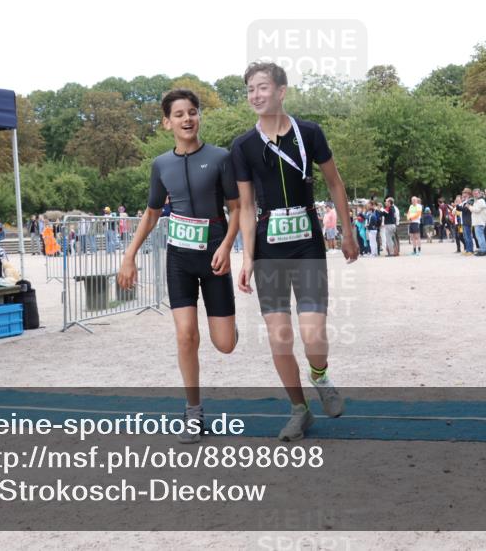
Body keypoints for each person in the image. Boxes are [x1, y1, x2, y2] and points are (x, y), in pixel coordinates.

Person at [233, 61, 357, 441]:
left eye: (263, 87)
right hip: (269, 246)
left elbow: (334, 183)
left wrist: (348, 231)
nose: (256, 95)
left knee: (313, 335)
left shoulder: (310, 133)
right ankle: (298, 409)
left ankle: (319, 374)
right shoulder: (243, 145)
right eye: (251, 89)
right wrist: (248, 256)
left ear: (281, 91)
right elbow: (246, 207)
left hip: (307, 243)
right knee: (279, 337)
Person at [118, 89, 241, 444]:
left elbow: (236, 208)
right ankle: (193, 411)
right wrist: (130, 254)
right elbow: (153, 212)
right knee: (186, 335)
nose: (187, 119)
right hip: (180, 259)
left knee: (224, 345)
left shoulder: (220, 158)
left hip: (214, 256)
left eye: (193, 112)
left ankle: (230, 331)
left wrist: (229, 246)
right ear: (166, 122)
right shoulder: (161, 165)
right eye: (179, 114)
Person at [470, 189, 486, 256]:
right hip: (477, 222)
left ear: (480, 194)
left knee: (480, 237)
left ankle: (483, 250)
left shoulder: (481, 201)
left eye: (476, 193)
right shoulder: (476, 201)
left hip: (480, 222)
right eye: (474, 194)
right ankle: (482, 249)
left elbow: (477, 210)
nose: (475, 195)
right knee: (479, 237)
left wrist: (469, 207)